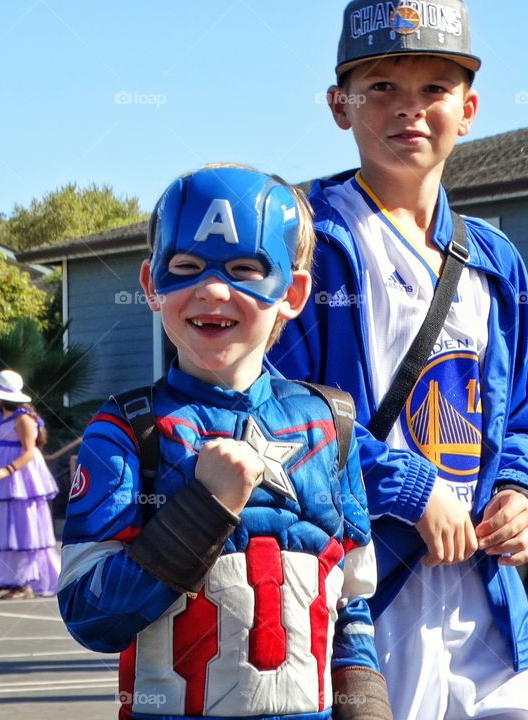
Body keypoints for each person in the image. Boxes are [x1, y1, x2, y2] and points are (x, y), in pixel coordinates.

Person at [269, 2, 528, 717]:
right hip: (366, 602)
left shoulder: (495, 260)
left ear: (470, 108)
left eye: (435, 88)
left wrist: (521, 496)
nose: (411, 110)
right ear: (340, 105)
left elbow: (520, 416)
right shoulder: (307, 240)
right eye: (382, 88)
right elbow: (273, 408)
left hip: (488, 612)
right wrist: (408, 489)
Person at [59, 165, 391, 719]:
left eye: (245, 269)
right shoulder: (127, 432)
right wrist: (202, 511)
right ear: (151, 285)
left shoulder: (331, 423)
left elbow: (351, 606)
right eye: (185, 267)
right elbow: (92, 617)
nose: (213, 290)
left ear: (293, 292)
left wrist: (368, 711)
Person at [0, 370, 61, 599]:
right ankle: (1, 579)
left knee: (20, 526)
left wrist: (5, 471)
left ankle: (22, 583)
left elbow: (29, 452)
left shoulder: (23, 418)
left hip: (18, 478)